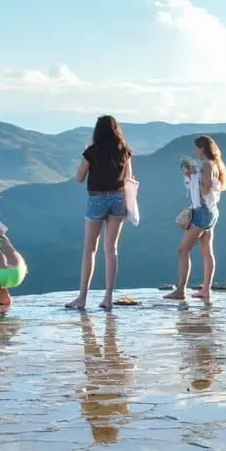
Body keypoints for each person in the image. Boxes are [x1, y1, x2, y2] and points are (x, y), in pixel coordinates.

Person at [65, 115, 133, 311]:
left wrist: (84, 154)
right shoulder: (124, 150)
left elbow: (79, 178)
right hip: (119, 199)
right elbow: (128, 177)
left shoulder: (92, 151)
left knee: (89, 249)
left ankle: (82, 298)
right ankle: (108, 298)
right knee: (111, 249)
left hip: (97, 198)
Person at [164, 135, 226, 306]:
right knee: (207, 251)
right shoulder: (216, 165)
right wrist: (193, 173)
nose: (194, 151)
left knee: (182, 250)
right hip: (211, 211)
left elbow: (205, 188)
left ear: (202, 148)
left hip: (201, 212)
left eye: (196, 148)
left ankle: (180, 290)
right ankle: (206, 289)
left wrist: (195, 175)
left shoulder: (207, 165)